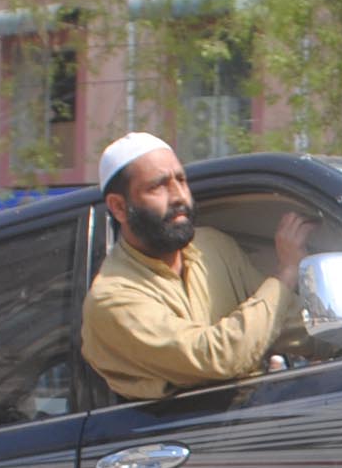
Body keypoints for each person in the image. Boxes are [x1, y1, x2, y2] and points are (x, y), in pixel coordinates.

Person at [80, 132, 317, 400]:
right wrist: (285, 272)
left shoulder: (212, 247)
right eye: (158, 187)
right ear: (119, 207)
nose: (179, 196)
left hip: (258, 417)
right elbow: (218, 357)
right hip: (182, 434)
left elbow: (283, 321)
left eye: (181, 180)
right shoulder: (112, 298)